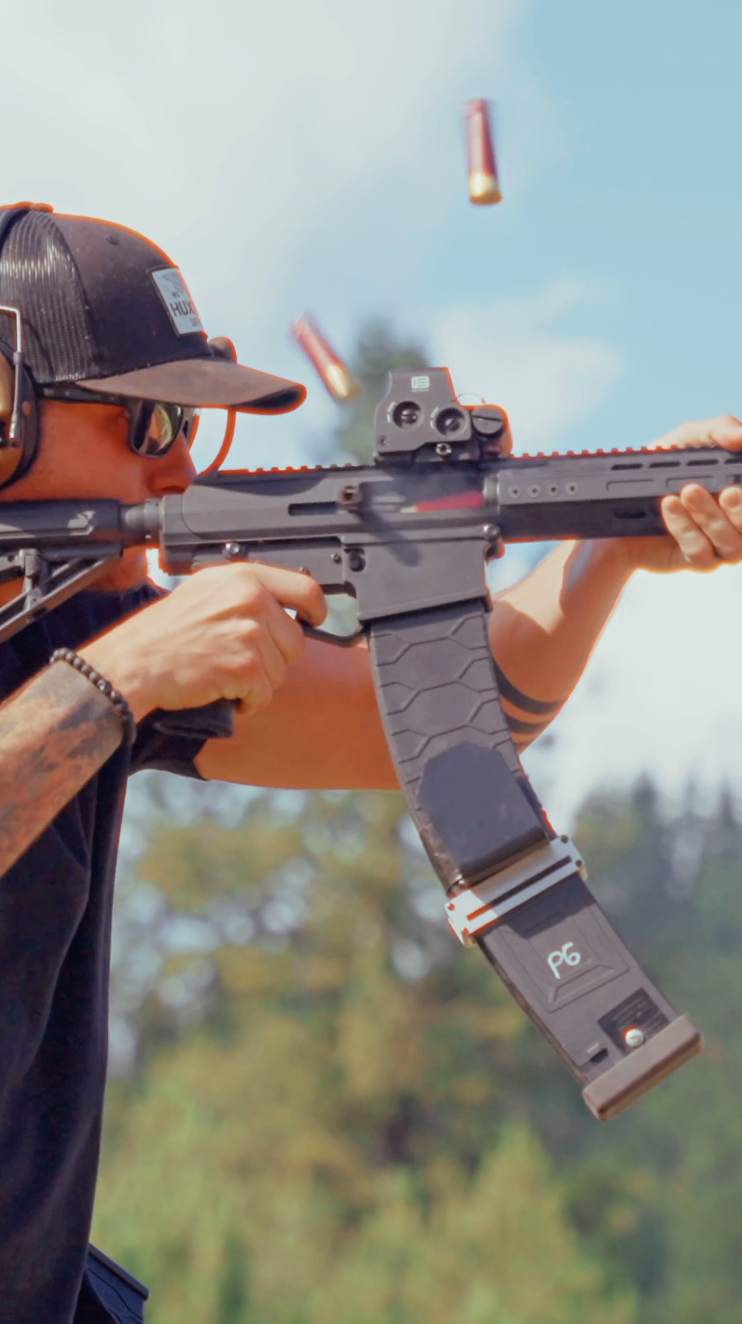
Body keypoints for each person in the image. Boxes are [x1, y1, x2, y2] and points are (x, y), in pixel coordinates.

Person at [0, 203, 740, 1324]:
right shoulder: (112, 655)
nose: (184, 467)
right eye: (150, 423)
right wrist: (118, 681)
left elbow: (436, 720)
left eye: (196, 427)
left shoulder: (86, 624)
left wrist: (609, 545)